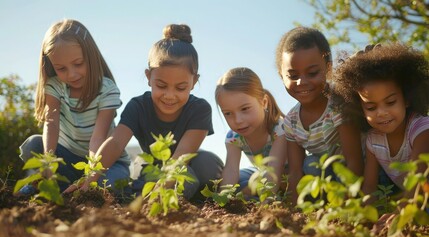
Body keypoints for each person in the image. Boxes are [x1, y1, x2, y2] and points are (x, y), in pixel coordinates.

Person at [67, 23, 224, 201]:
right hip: (152, 167)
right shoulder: (138, 107)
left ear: (194, 82)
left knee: (204, 167)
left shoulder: (200, 109)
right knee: (137, 189)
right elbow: (115, 143)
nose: (169, 96)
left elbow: (181, 158)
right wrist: (90, 177)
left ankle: (201, 200)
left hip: (184, 165)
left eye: (181, 88)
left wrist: (161, 190)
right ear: (149, 77)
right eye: (161, 86)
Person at [19, 19, 130, 194]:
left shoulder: (107, 90)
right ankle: (55, 186)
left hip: (106, 162)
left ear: (91, 56)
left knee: (112, 184)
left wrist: (91, 174)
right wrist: (48, 159)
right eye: (61, 68)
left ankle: (76, 188)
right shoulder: (54, 87)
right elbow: (51, 123)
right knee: (33, 144)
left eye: (78, 64)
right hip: (68, 159)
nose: (72, 74)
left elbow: (98, 137)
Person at [275, 26, 364, 204]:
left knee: (339, 168)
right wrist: (293, 207)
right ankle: (321, 204)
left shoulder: (339, 104)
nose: (302, 82)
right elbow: (295, 171)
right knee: (310, 165)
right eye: (292, 76)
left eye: (313, 73)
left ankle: (343, 203)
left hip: (356, 170)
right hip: (326, 174)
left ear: (328, 68)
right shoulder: (291, 121)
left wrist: (348, 205)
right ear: (281, 76)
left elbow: (354, 162)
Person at [330, 43, 429, 201]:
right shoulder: (373, 141)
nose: (381, 113)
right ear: (360, 109)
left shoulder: (422, 130)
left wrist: (398, 214)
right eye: (371, 107)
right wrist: (361, 211)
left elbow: (418, 184)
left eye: (390, 102)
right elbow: (370, 187)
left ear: (407, 99)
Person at [215, 67, 287, 197]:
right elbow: (231, 170)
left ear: (263, 102)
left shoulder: (279, 129)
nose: (237, 120)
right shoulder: (233, 138)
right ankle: (248, 194)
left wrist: (265, 204)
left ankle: (263, 196)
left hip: (286, 173)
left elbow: (274, 169)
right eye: (228, 113)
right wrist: (222, 199)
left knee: (267, 181)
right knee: (239, 179)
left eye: (245, 109)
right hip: (261, 172)